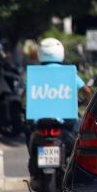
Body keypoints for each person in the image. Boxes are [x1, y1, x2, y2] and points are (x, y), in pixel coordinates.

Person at [27, 38, 89, 184]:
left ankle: (34, 164)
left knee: (27, 133)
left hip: (40, 123)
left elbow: (25, 94)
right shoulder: (69, 73)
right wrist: (87, 102)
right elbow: (86, 90)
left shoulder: (34, 73)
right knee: (82, 138)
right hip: (66, 123)